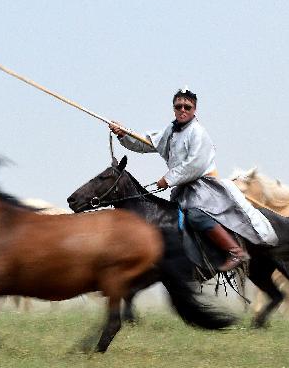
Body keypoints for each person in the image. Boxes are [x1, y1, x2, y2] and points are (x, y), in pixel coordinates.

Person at [109, 88, 277, 271]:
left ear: (194, 109)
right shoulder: (171, 131)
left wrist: (168, 178)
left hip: (205, 188)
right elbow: (146, 143)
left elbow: (194, 165)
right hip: (184, 190)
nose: (182, 110)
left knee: (196, 215)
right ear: (174, 108)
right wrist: (123, 134)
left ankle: (235, 251)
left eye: (187, 107)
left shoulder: (198, 132)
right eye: (178, 106)